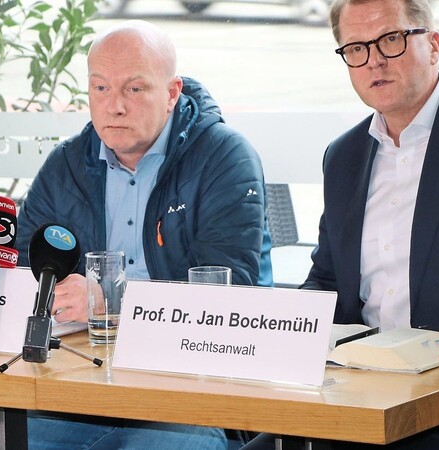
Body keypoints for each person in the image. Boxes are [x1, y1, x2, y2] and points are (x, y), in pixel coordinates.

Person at [244, 1, 439, 449]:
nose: (374, 61)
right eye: (356, 48)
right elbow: (327, 279)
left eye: (391, 39)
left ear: (434, 45)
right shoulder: (343, 156)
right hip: (357, 399)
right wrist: (274, 330)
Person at [15, 20, 273, 449]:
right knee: (14, 436)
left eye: (134, 89)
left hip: (193, 389)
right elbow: (26, 266)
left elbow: (230, 293)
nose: (114, 106)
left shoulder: (224, 157)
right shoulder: (66, 165)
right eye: (100, 89)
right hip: (84, 382)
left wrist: (109, 300)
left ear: (171, 94)